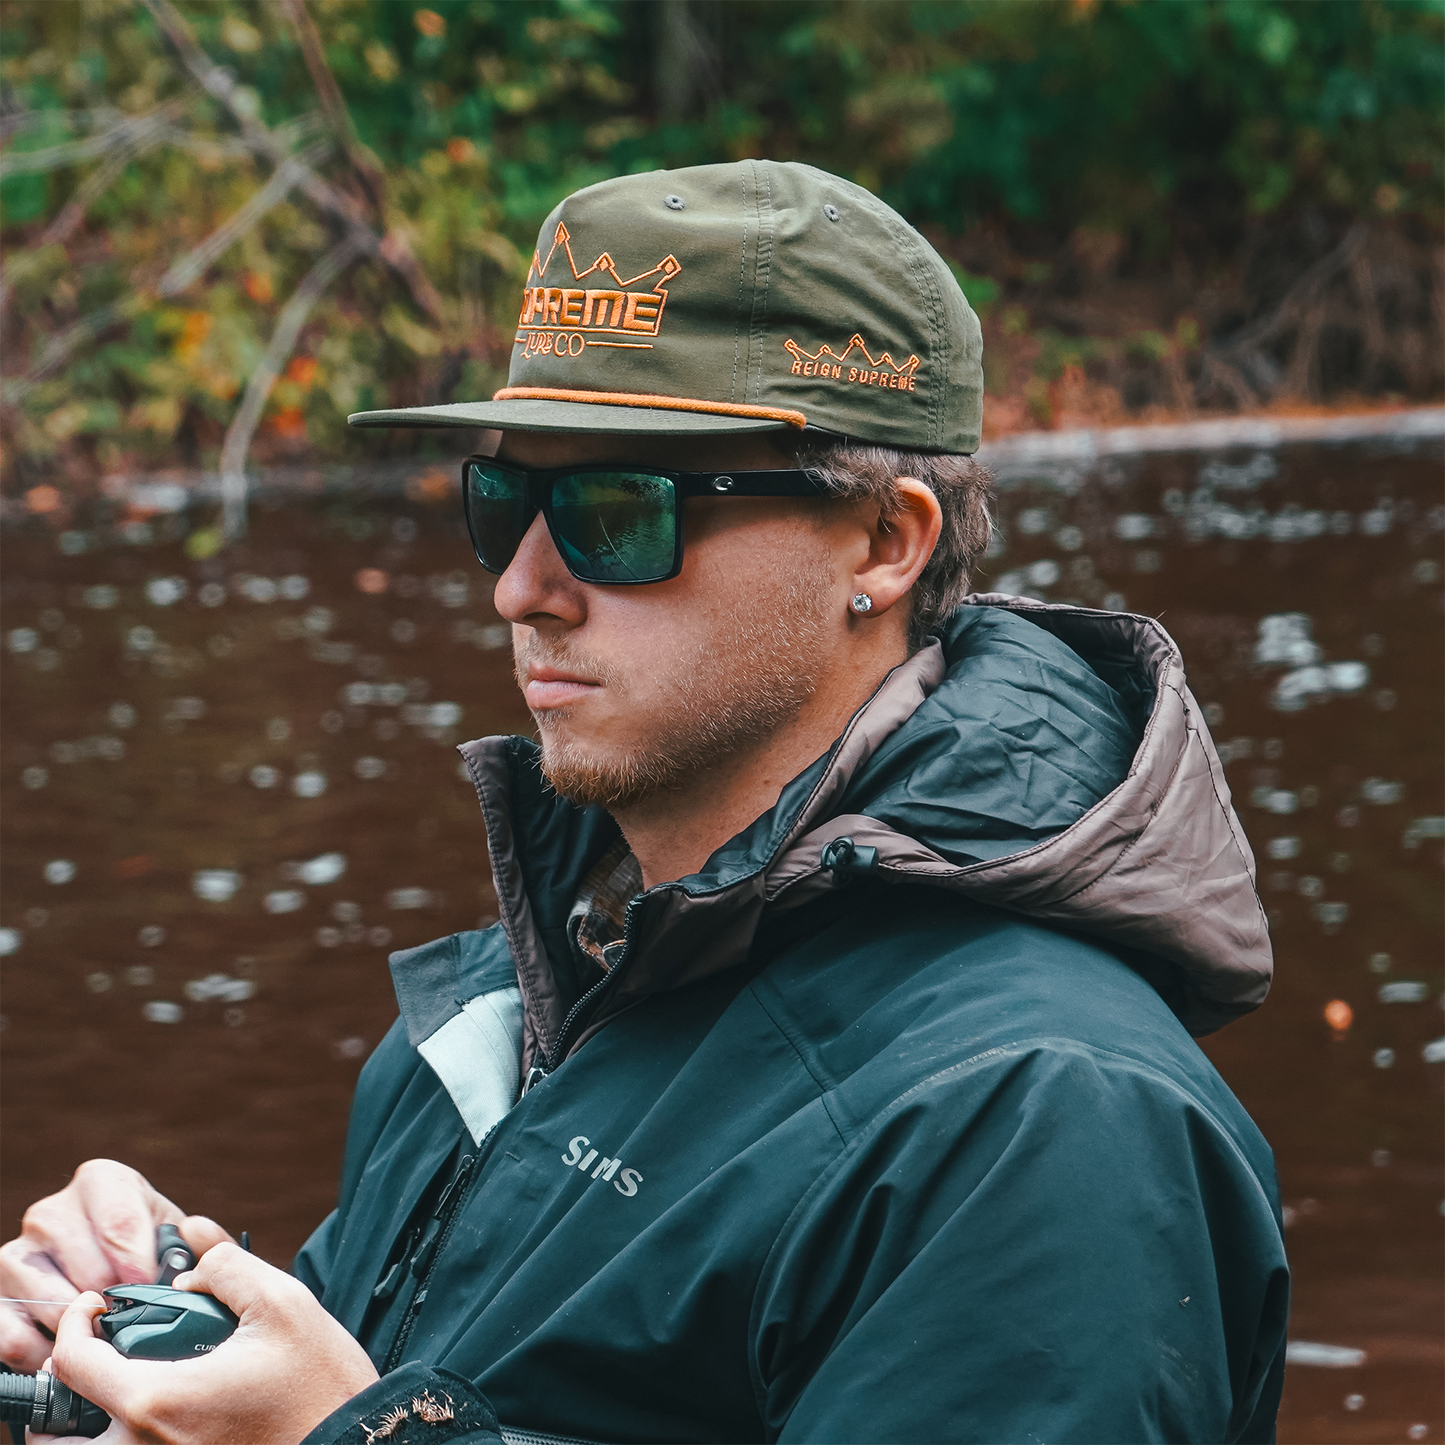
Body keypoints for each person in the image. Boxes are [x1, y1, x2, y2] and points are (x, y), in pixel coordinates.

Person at [0, 160, 1288, 1445]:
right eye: (503, 501)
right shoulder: (504, 1014)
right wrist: (142, 1369)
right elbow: (394, 1393)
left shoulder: (1040, 1125)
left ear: (885, 545)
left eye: (619, 510)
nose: (523, 587)